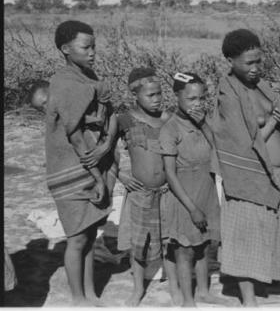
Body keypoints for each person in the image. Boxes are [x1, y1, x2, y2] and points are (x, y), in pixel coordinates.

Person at [207, 29, 280, 306]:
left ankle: (260, 286)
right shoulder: (229, 93)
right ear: (230, 60)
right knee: (246, 235)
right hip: (248, 175)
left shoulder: (262, 87)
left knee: (267, 231)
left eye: (259, 61)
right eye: (249, 62)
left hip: (273, 173)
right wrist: (274, 119)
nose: (255, 68)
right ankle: (248, 299)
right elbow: (240, 142)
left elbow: (273, 127)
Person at [45, 20, 118, 306]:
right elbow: (74, 134)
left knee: (89, 234)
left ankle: (90, 293)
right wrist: (98, 174)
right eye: (85, 47)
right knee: (76, 238)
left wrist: (106, 146)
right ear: (66, 49)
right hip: (73, 167)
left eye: (93, 47)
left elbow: (109, 113)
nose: (92, 52)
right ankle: (77, 298)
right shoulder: (63, 82)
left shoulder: (89, 77)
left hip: (93, 162)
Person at [115, 67, 179, 306]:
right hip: (140, 193)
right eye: (150, 95)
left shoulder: (169, 119)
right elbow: (107, 150)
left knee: (169, 241)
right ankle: (137, 289)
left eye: (159, 93)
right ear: (135, 96)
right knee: (138, 243)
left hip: (166, 192)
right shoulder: (125, 120)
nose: (157, 99)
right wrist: (120, 174)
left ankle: (174, 287)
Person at [159, 72, 224, 307]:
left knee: (205, 245)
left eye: (201, 98)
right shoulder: (170, 129)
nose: (197, 104)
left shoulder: (205, 122)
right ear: (177, 96)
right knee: (185, 249)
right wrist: (192, 208)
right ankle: (188, 300)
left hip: (206, 189)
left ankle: (204, 292)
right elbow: (170, 173)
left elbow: (218, 147)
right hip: (185, 196)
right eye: (191, 99)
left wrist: (203, 123)